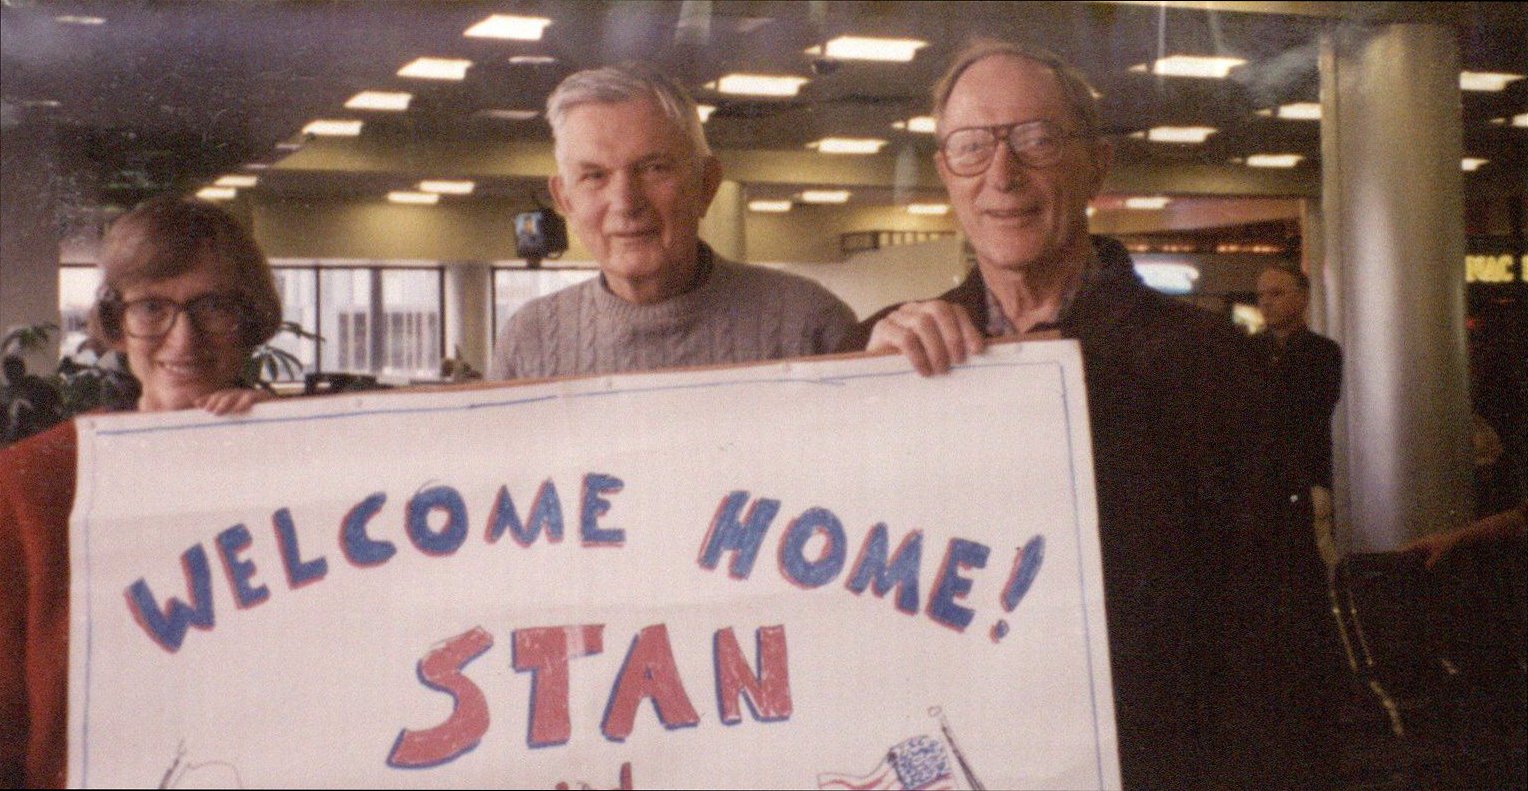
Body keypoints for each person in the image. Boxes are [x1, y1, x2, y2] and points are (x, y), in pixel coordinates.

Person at [839, 40, 1335, 789]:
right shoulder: (884, 349)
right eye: (971, 147)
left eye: (1036, 140)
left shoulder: (1208, 361)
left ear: (1097, 165)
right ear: (945, 172)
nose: (1002, 174)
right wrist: (857, 398)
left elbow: (1278, 632)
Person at [1, 195, 281, 788]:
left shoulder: (309, 467)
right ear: (115, 323)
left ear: (249, 322)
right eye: (151, 308)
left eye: (214, 307)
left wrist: (285, 438)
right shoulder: (35, 480)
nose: (183, 340)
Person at [490, 63, 855, 380]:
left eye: (653, 168)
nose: (625, 203)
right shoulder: (528, 341)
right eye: (594, 176)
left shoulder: (808, 323)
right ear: (565, 199)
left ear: (706, 185)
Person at [1255, 263, 1343, 565]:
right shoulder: (1248, 351)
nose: (1266, 303)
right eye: (1261, 295)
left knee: (1312, 558)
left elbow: (1311, 410)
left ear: (1303, 298)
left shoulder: (1323, 352)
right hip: (1261, 481)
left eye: (1276, 294)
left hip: (1305, 475)